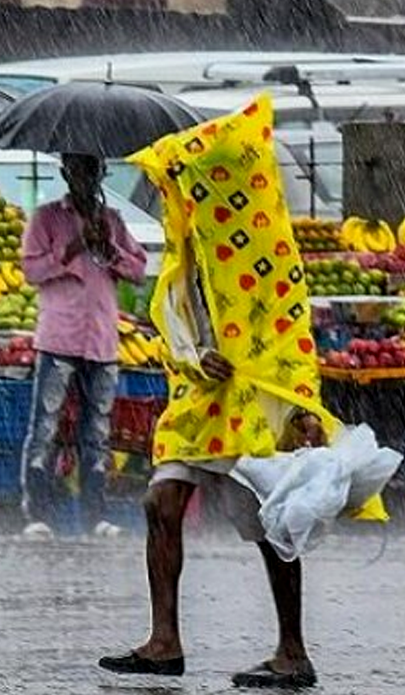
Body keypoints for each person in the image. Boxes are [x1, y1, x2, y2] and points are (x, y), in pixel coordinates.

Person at [97, 214, 326, 690]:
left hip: (249, 403)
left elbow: (290, 331)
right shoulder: (185, 254)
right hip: (196, 401)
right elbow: (172, 325)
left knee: (271, 524)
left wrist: (305, 406)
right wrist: (194, 356)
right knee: (160, 503)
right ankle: (164, 642)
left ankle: (293, 650)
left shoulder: (260, 249)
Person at [18, 154, 146, 538]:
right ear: (65, 174)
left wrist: (109, 249)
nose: (85, 179)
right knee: (45, 425)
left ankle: (95, 514)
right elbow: (30, 270)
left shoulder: (114, 223)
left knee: (97, 432)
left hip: (102, 340)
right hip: (59, 337)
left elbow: (139, 270)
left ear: (101, 175)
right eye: (77, 171)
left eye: (92, 171)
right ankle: (37, 512)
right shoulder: (46, 218)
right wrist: (71, 250)